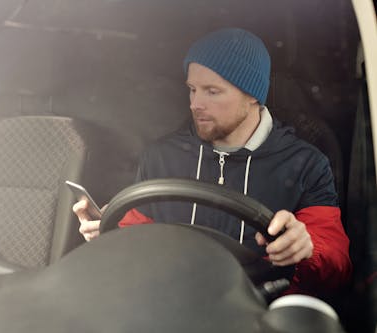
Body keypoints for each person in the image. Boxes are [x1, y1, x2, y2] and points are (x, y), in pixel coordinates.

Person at [73, 28, 351, 296]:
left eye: (212, 91)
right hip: (170, 304)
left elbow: (337, 263)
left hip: (260, 313)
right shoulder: (161, 156)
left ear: (252, 94)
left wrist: (307, 248)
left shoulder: (305, 163)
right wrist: (108, 232)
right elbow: (138, 240)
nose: (195, 103)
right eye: (192, 89)